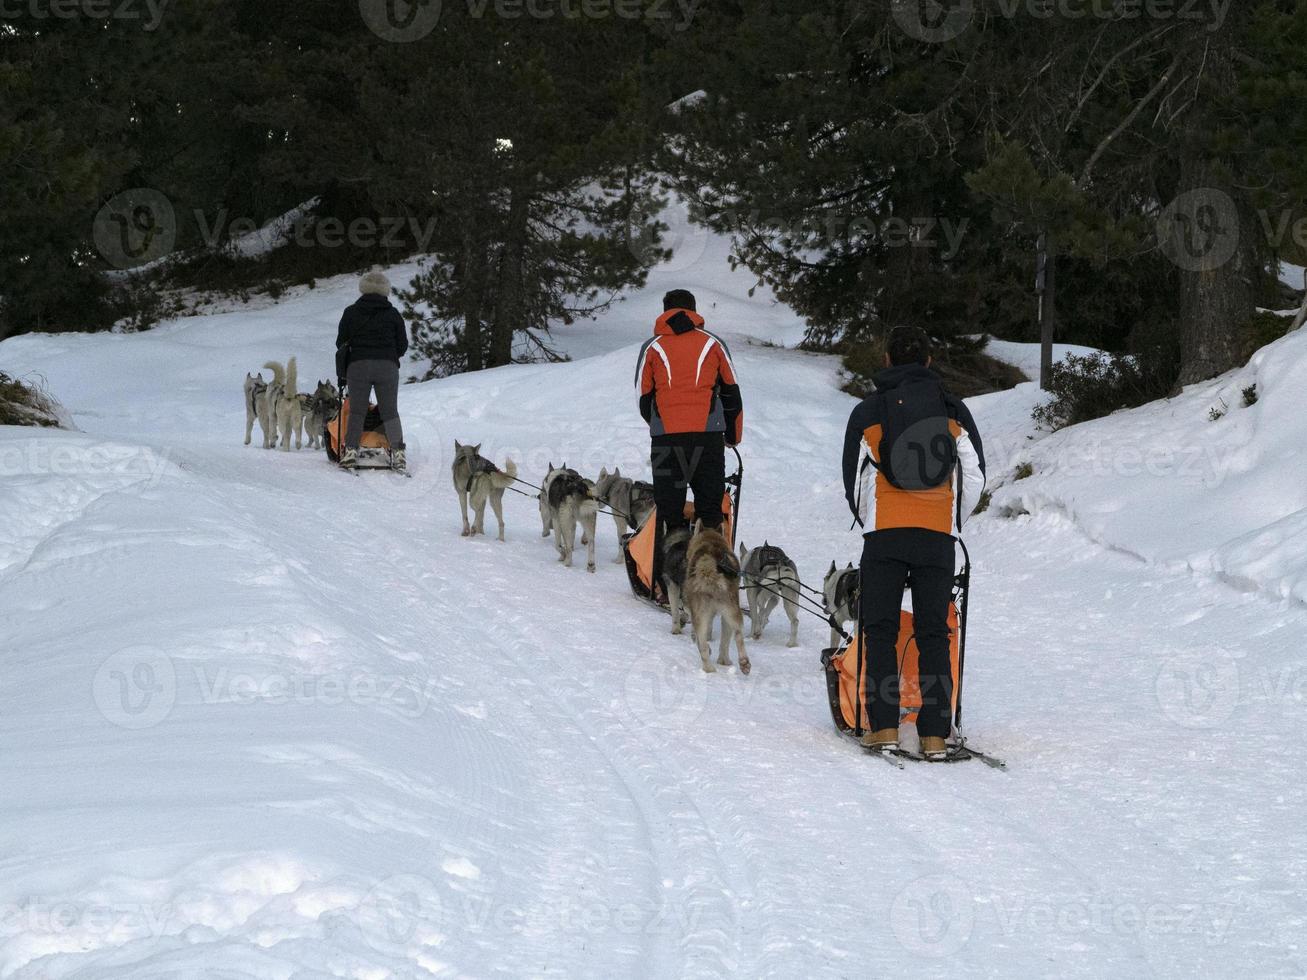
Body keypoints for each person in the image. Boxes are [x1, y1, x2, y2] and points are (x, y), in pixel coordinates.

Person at [841, 326, 986, 759]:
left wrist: (869, 519)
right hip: (937, 536)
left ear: (886, 359)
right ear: (927, 361)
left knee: (880, 630)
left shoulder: (868, 411)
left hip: (885, 534)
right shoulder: (951, 409)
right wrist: (953, 520)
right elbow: (974, 475)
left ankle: (883, 727)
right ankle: (934, 735)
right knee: (933, 633)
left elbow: (853, 478)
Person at [636, 289, 743, 563]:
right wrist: (732, 435)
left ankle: (670, 581)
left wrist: (662, 424)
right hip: (708, 439)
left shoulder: (652, 347)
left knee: (670, 511)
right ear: (694, 311)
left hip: (667, 441)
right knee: (709, 509)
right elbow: (732, 394)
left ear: (664, 312)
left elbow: (644, 399)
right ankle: (713, 575)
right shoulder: (713, 344)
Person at [336, 270, 409, 472]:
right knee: (390, 412)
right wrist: (387, 355)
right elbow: (402, 345)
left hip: (358, 366)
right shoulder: (393, 314)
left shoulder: (351, 312)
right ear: (385, 291)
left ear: (363, 289)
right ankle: (399, 455)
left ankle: (350, 453)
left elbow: (340, 342)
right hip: (387, 367)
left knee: (357, 411)